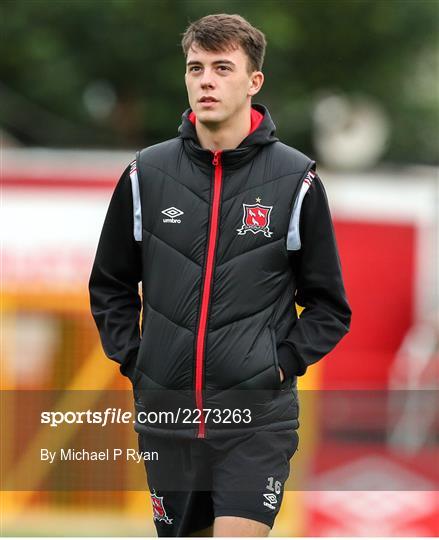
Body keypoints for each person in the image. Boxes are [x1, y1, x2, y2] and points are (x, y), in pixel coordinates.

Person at [89, 13, 352, 538]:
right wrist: (140, 362)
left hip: (256, 419)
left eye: (222, 67)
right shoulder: (146, 174)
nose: (206, 79)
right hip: (167, 417)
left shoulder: (295, 179)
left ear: (254, 82)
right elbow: (110, 285)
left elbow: (329, 307)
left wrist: (276, 366)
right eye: (195, 67)